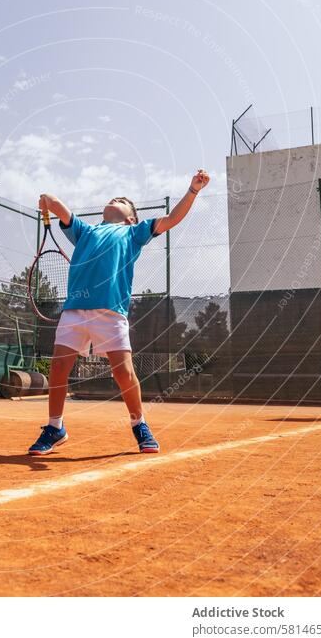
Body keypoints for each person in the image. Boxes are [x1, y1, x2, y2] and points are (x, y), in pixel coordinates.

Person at [28, 170, 210, 455]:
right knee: (58, 368)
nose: (116, 199)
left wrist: (193, 190)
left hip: (111, 314)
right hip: (74, 311)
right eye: (114, 198)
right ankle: (55, 427)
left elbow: (172, 219)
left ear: (131, 218)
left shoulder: (134, 233)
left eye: (123, 200)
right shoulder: (86, 232)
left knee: (124, 373)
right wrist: (49, 200)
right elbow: (63, 211)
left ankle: (139, 424)